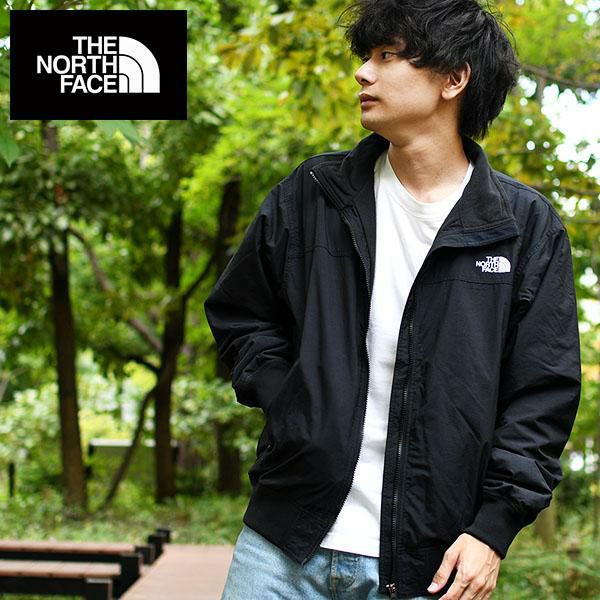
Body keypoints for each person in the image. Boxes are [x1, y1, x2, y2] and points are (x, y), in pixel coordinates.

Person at [204, 0, 582, 598]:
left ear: (454, 78)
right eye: (366, 56)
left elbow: (543, 395)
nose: (363, 72)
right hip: (284, 543)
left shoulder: (524, 228)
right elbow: (240, 314)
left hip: (431, 562)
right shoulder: (313, 194)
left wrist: (492, 530)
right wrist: (291, 401)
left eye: (387, 56)